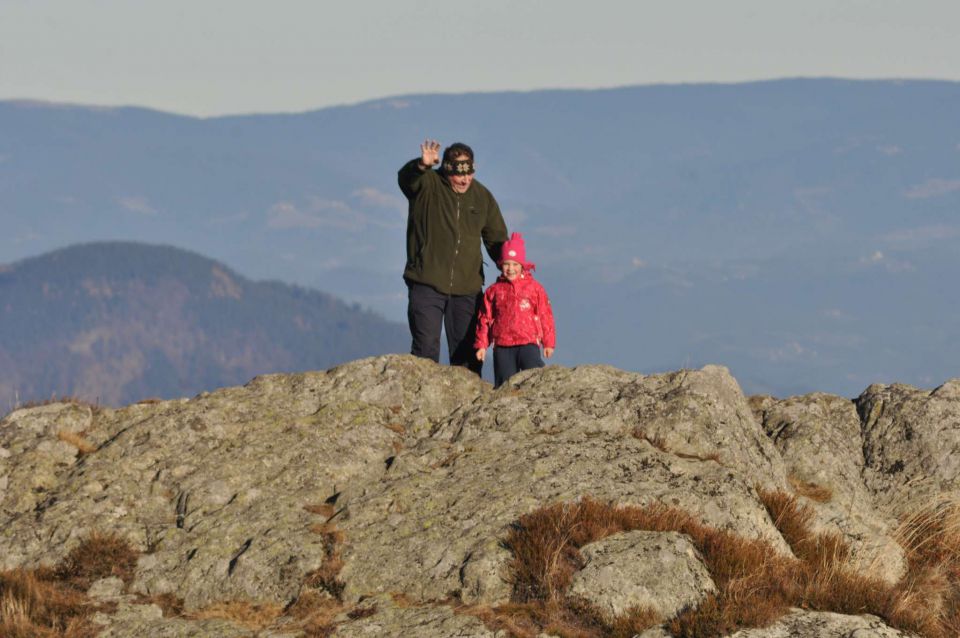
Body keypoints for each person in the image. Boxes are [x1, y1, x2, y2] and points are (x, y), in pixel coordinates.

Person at [398, 140, 509, 375]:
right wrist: (421, 165)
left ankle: (467, 409)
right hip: (426, 282)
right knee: (425, 351)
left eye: (469, 173)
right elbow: (406, 180)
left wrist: (511, 263)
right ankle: (424, 406)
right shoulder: (428, 184)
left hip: (467, 288)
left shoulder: (482, 197)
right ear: (446, 170)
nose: (464, 180)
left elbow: (496, 237)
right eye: (459, 175)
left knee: (468, 358)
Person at [474, 232, 556, 387]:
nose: (510, 268)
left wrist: (548, 343)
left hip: (529, 343)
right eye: (506, 264)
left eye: (515, 264)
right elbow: (484, 319)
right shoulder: (494, 291)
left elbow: (545, 314)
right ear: (500, 264)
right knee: (504, 385)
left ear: (522, 265)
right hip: (503, 346)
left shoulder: (534, 288)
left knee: (534, 382)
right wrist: (482, 345)